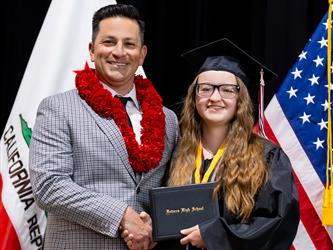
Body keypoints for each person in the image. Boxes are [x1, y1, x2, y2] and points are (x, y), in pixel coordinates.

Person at [29, 4, 178, 250]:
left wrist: (157, 223)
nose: (119, 52)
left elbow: (170, 187)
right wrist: (122, 215)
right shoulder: (58, 108)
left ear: (142, 54)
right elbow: (49, 186)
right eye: (109, 42)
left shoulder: (168, 119)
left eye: (129, 44)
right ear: (91, 49)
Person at [136, 38, 299, 249]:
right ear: (194, 98)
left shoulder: (266, 157)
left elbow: (278, 223)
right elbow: (170, 215)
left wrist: (216, 236)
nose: (215, 97)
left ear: (240, 99)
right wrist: (154, 228)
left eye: (227, 90)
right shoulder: (177, 154)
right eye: (205, 89)